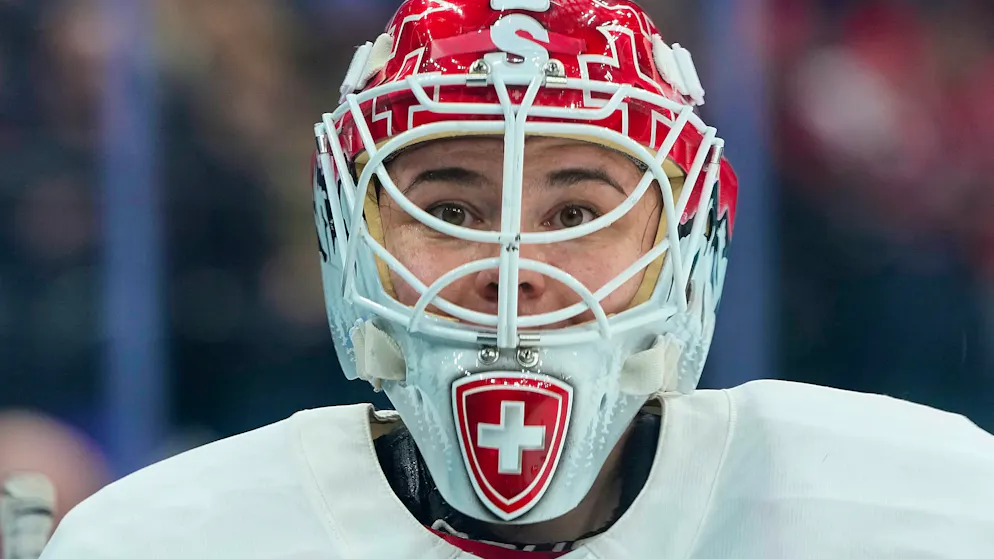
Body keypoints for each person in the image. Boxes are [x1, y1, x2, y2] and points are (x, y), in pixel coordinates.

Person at [42, 1, 994, 557]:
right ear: (351, 242)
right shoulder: (163, 539)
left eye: (577, 213)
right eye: (449, 212)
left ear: (690, 247)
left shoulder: (925, 507)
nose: (513, 270)